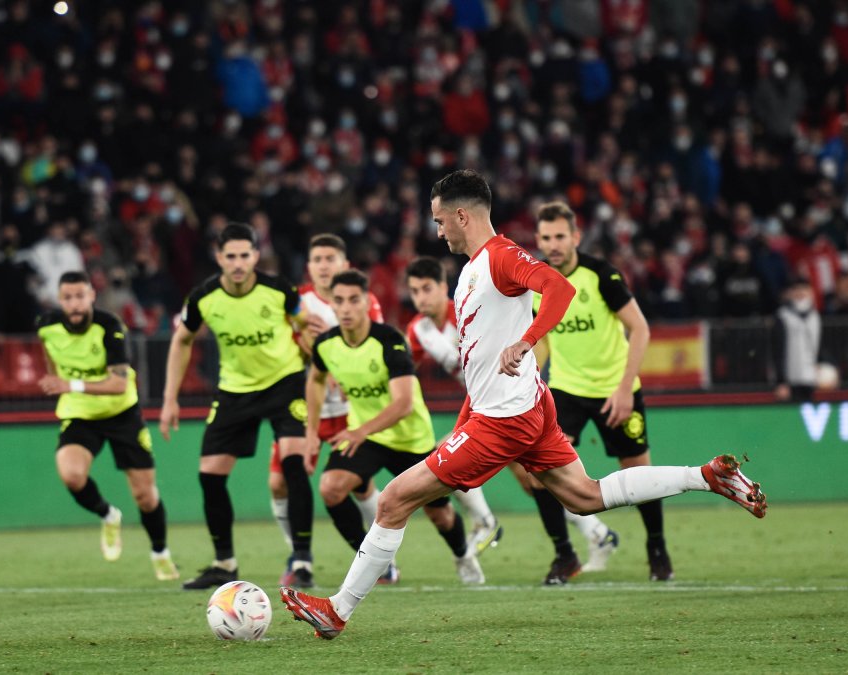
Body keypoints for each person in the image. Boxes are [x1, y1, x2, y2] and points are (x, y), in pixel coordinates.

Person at [281, 169, 767, 639]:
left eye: (439, 219)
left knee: (392, 500)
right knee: (585, 495)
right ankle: (704, 476)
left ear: (462, 217)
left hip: (506, 418)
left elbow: (560, 288)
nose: (437, 229)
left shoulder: (500, 257)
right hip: (520, 406)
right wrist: (468, 414)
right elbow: (480, 358)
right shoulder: (475, 268)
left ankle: (338, 610)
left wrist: (528, 341)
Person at [161, 222, 324, 590]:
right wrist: (170, 398)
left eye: (244, 255)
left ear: (255, 255)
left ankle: (302, 560)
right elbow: (181, 341)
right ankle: (225, 563)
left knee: (293, 464)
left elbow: (302, 322)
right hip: (234, 390)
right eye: (230, 256)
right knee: (210, 476)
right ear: (219, 258)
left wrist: (310, 345)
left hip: (285, 383)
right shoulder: (203, 298)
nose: (237, 263)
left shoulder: (279, 290)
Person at [308, 269, 483, 584]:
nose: (346, 308)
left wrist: (359, 431)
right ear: (331, 305)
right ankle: (374, 563)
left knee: (439, 515)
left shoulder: (390, 342)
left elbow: (403, 404)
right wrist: (310, 433)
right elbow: (316, 378)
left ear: (366, 302)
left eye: (353, 300)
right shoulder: (325, 345)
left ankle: (462, 556)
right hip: (369, 438)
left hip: (410, 439)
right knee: (331, 488)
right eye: (339, 301)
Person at [533, 202, 664, 583]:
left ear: (575, 237)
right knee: (541, 468)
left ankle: (657, 547)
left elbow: (640, 329)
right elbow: (543, 340)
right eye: (546, 238)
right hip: (567, 390)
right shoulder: (537, 280)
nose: (553, 244)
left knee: (640, 475)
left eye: (560, 236)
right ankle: (564, 555)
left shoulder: (601, 275)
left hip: (615, 390)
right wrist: (527, 373)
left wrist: (625, 390)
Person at [36, 270, 177, 580]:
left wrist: (69, 384)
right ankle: (108, 514)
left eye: (80, 296)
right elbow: (51, 363)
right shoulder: (46, 326)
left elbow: (117, 384)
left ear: (91, 296)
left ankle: (160, 552)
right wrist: (57, 383)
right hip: (80, 414)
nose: (74, 303)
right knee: (71, 475)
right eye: (68, 297)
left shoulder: (110, 327)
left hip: (122, 413)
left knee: (145, 495)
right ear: (60, 300)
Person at [269, 234, 388, 586]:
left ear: (345, 265)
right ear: (309, 266)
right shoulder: (297, 303)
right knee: (279, 483)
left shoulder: (363, 303)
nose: (323, 265)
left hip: (349, 411)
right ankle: (298, 554)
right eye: (317, 259)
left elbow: (373, 346)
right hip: (305, 410)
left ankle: (380, 558)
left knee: (360, 486)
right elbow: (288, 348)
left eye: (330, 258)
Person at [404, 256, 504, 555]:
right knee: (535, 479)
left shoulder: (465, 314)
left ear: (443, 287)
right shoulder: (419, 330)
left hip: (504, 394)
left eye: (426, 288)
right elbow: (405, 370)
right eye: (414, 291)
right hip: (483, 401)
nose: (421, 297)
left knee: (446, 455)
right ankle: (598, 534)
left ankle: (485, 521)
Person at [773, 279, 820, 402]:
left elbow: (820, 345)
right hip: (791, 379)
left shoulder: (815, 316)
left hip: (811, 377)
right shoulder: (783, 316)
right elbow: (778, 350)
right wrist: (781, 381)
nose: (800, 293)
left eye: (804, 289)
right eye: (796, 289)